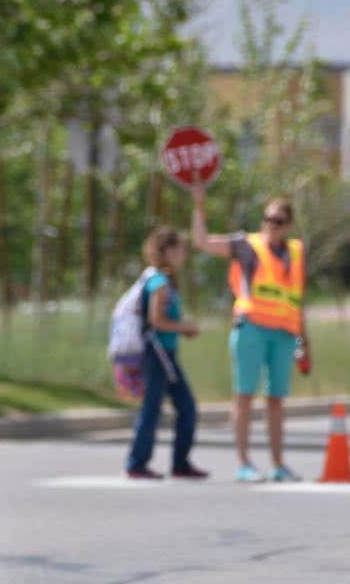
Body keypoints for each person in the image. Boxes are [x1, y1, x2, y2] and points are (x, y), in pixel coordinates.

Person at [190, 185, 311, 483]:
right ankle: (244, 462)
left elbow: (296, 300)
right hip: (251, 328)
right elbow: (202, 241)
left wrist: (304, 342)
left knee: (276, 400)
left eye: (278, 221)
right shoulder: (247, 246)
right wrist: (199, 205)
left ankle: (278, 464)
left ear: (289, 225)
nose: (271, 225)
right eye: (267, 219)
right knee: (244, 396)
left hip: (284, 334)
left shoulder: (296, 252)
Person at [126, 227, 209, 480]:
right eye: (180, 249)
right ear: (167, 251)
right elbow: (156, 320)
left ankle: (179, 462)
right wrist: (185, 327)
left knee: (184, 407)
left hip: (166, 353)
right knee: (157, 407)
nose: (183, 254)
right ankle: (138, 463)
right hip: (158, 353)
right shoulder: (160, 283)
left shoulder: (164, 280)